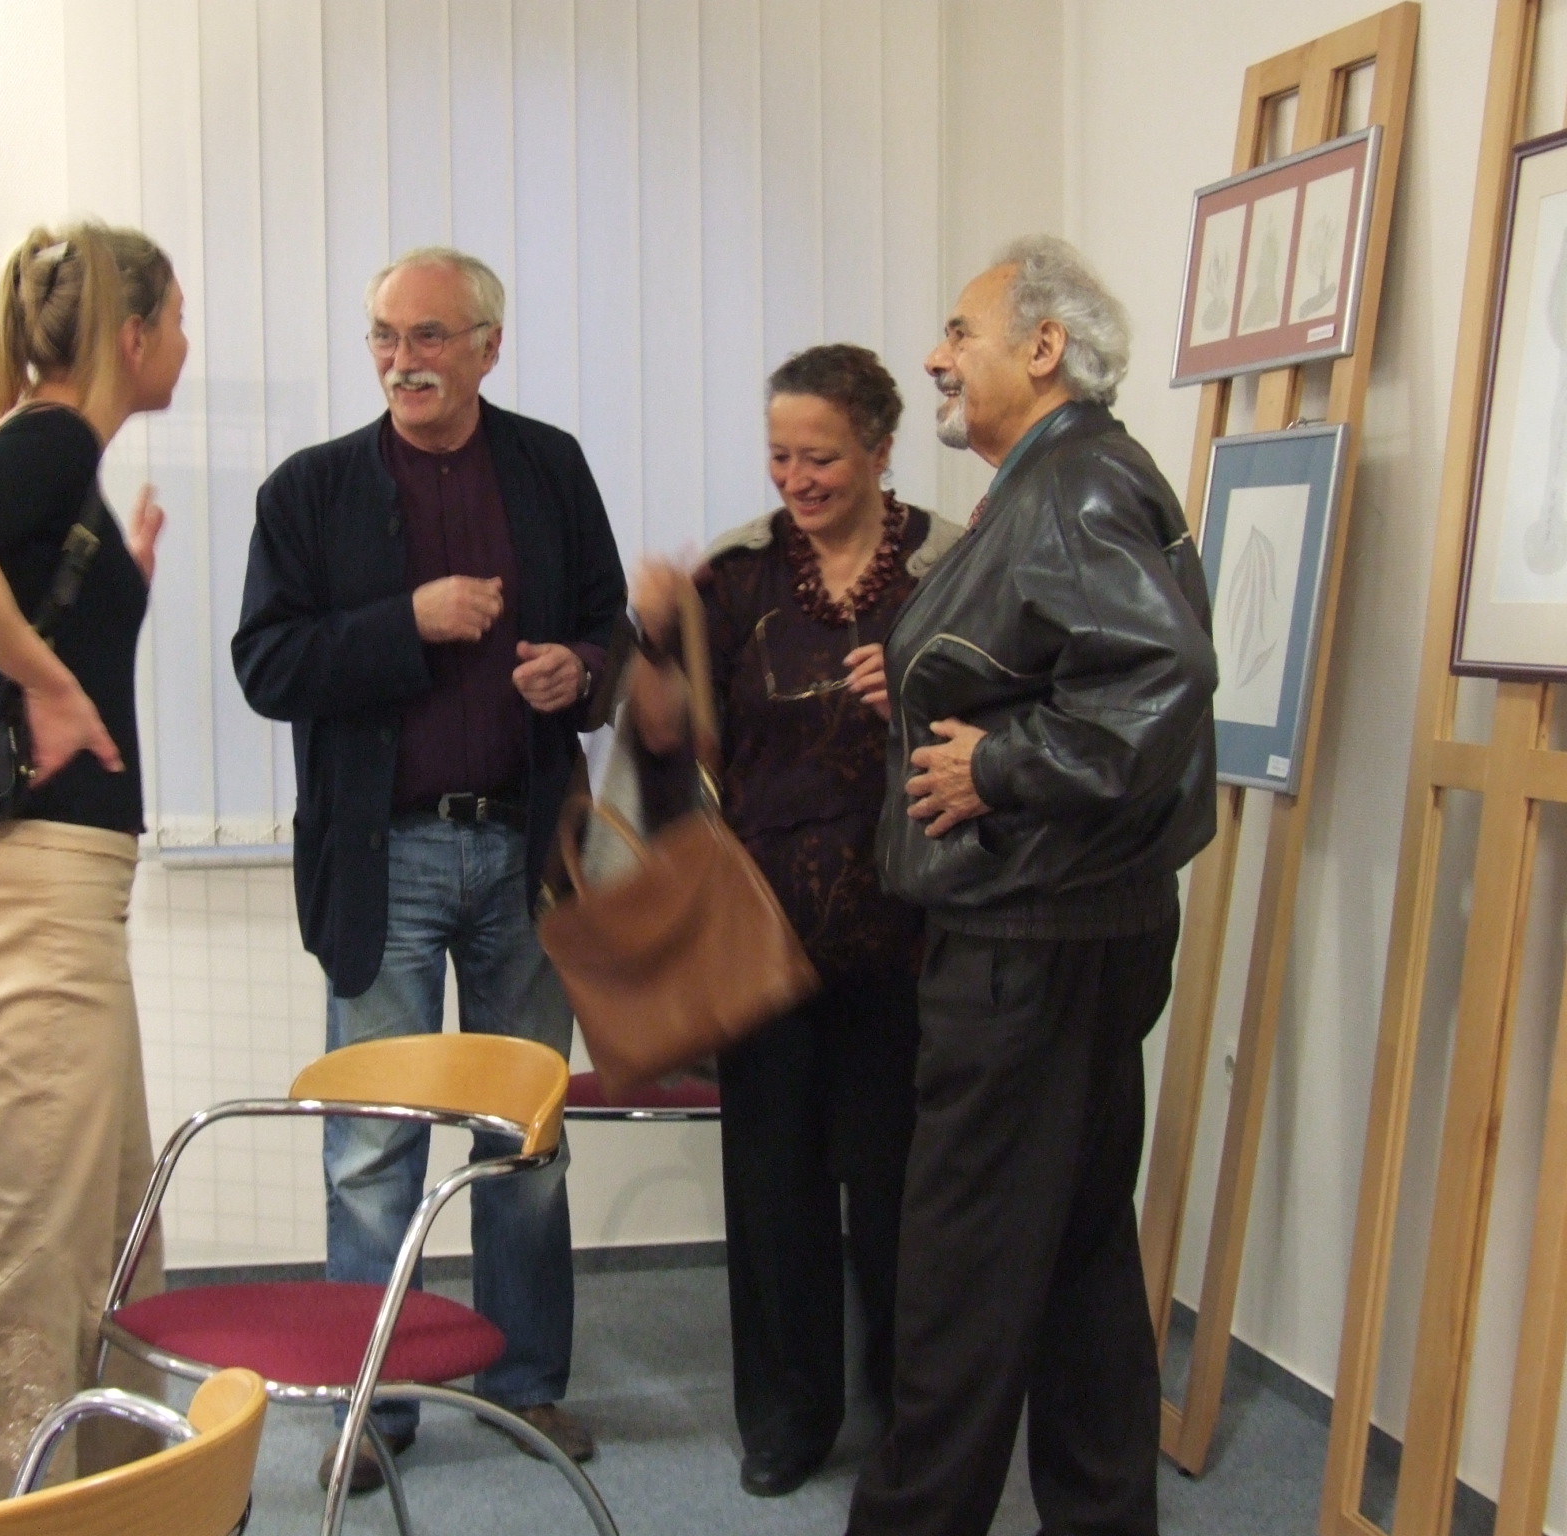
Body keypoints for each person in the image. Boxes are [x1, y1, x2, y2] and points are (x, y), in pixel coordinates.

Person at [231, 247, 626, 1492]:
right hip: (383, 858)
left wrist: (581, 672)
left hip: (525, 851)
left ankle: (525, 1383)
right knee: (371, 1147)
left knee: (523, 1140)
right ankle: (374, 1406)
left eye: (430, 337)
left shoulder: (550, 467)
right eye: (385, 338)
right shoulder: (310, 491)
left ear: (488, 347)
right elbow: (266, 666)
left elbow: (611, 628)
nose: (403, 361)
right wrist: (405, 621)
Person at [850, 236, 1217, 1536]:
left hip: (1030, 946)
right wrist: (941, 697)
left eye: (962, 331)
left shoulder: (1071, 485)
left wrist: (997, 765)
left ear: (1044, 348)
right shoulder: (1070, 475)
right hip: (1078, 929)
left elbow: (1159, 679)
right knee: (1074, 1263)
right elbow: (1071, 662)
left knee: (957, 1277)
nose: (936, 357)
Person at [626, 344, 959, 1498]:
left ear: (878, 448)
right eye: (779, 455)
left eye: (820, 456)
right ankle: (785, 1421)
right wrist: (651, 647)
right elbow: (668, 747)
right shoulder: (734, 576)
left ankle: (912, 1416)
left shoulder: (949, 567)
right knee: (772, 1193)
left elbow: (1002, 718)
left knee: (902, 1192)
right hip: (761, 937)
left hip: (910, 934)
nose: (795, 478)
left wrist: (914, 695)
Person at [0, 222, 188, 1510]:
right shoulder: (53, 439)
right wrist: (53, 682)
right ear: (132, 335)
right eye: (177, 321)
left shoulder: (58, 458)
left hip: (62, 890)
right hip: (37, 893)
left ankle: (120, 1503)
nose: (185, 344)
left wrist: (111, 595)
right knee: (43, 1248)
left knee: (116, 1231)